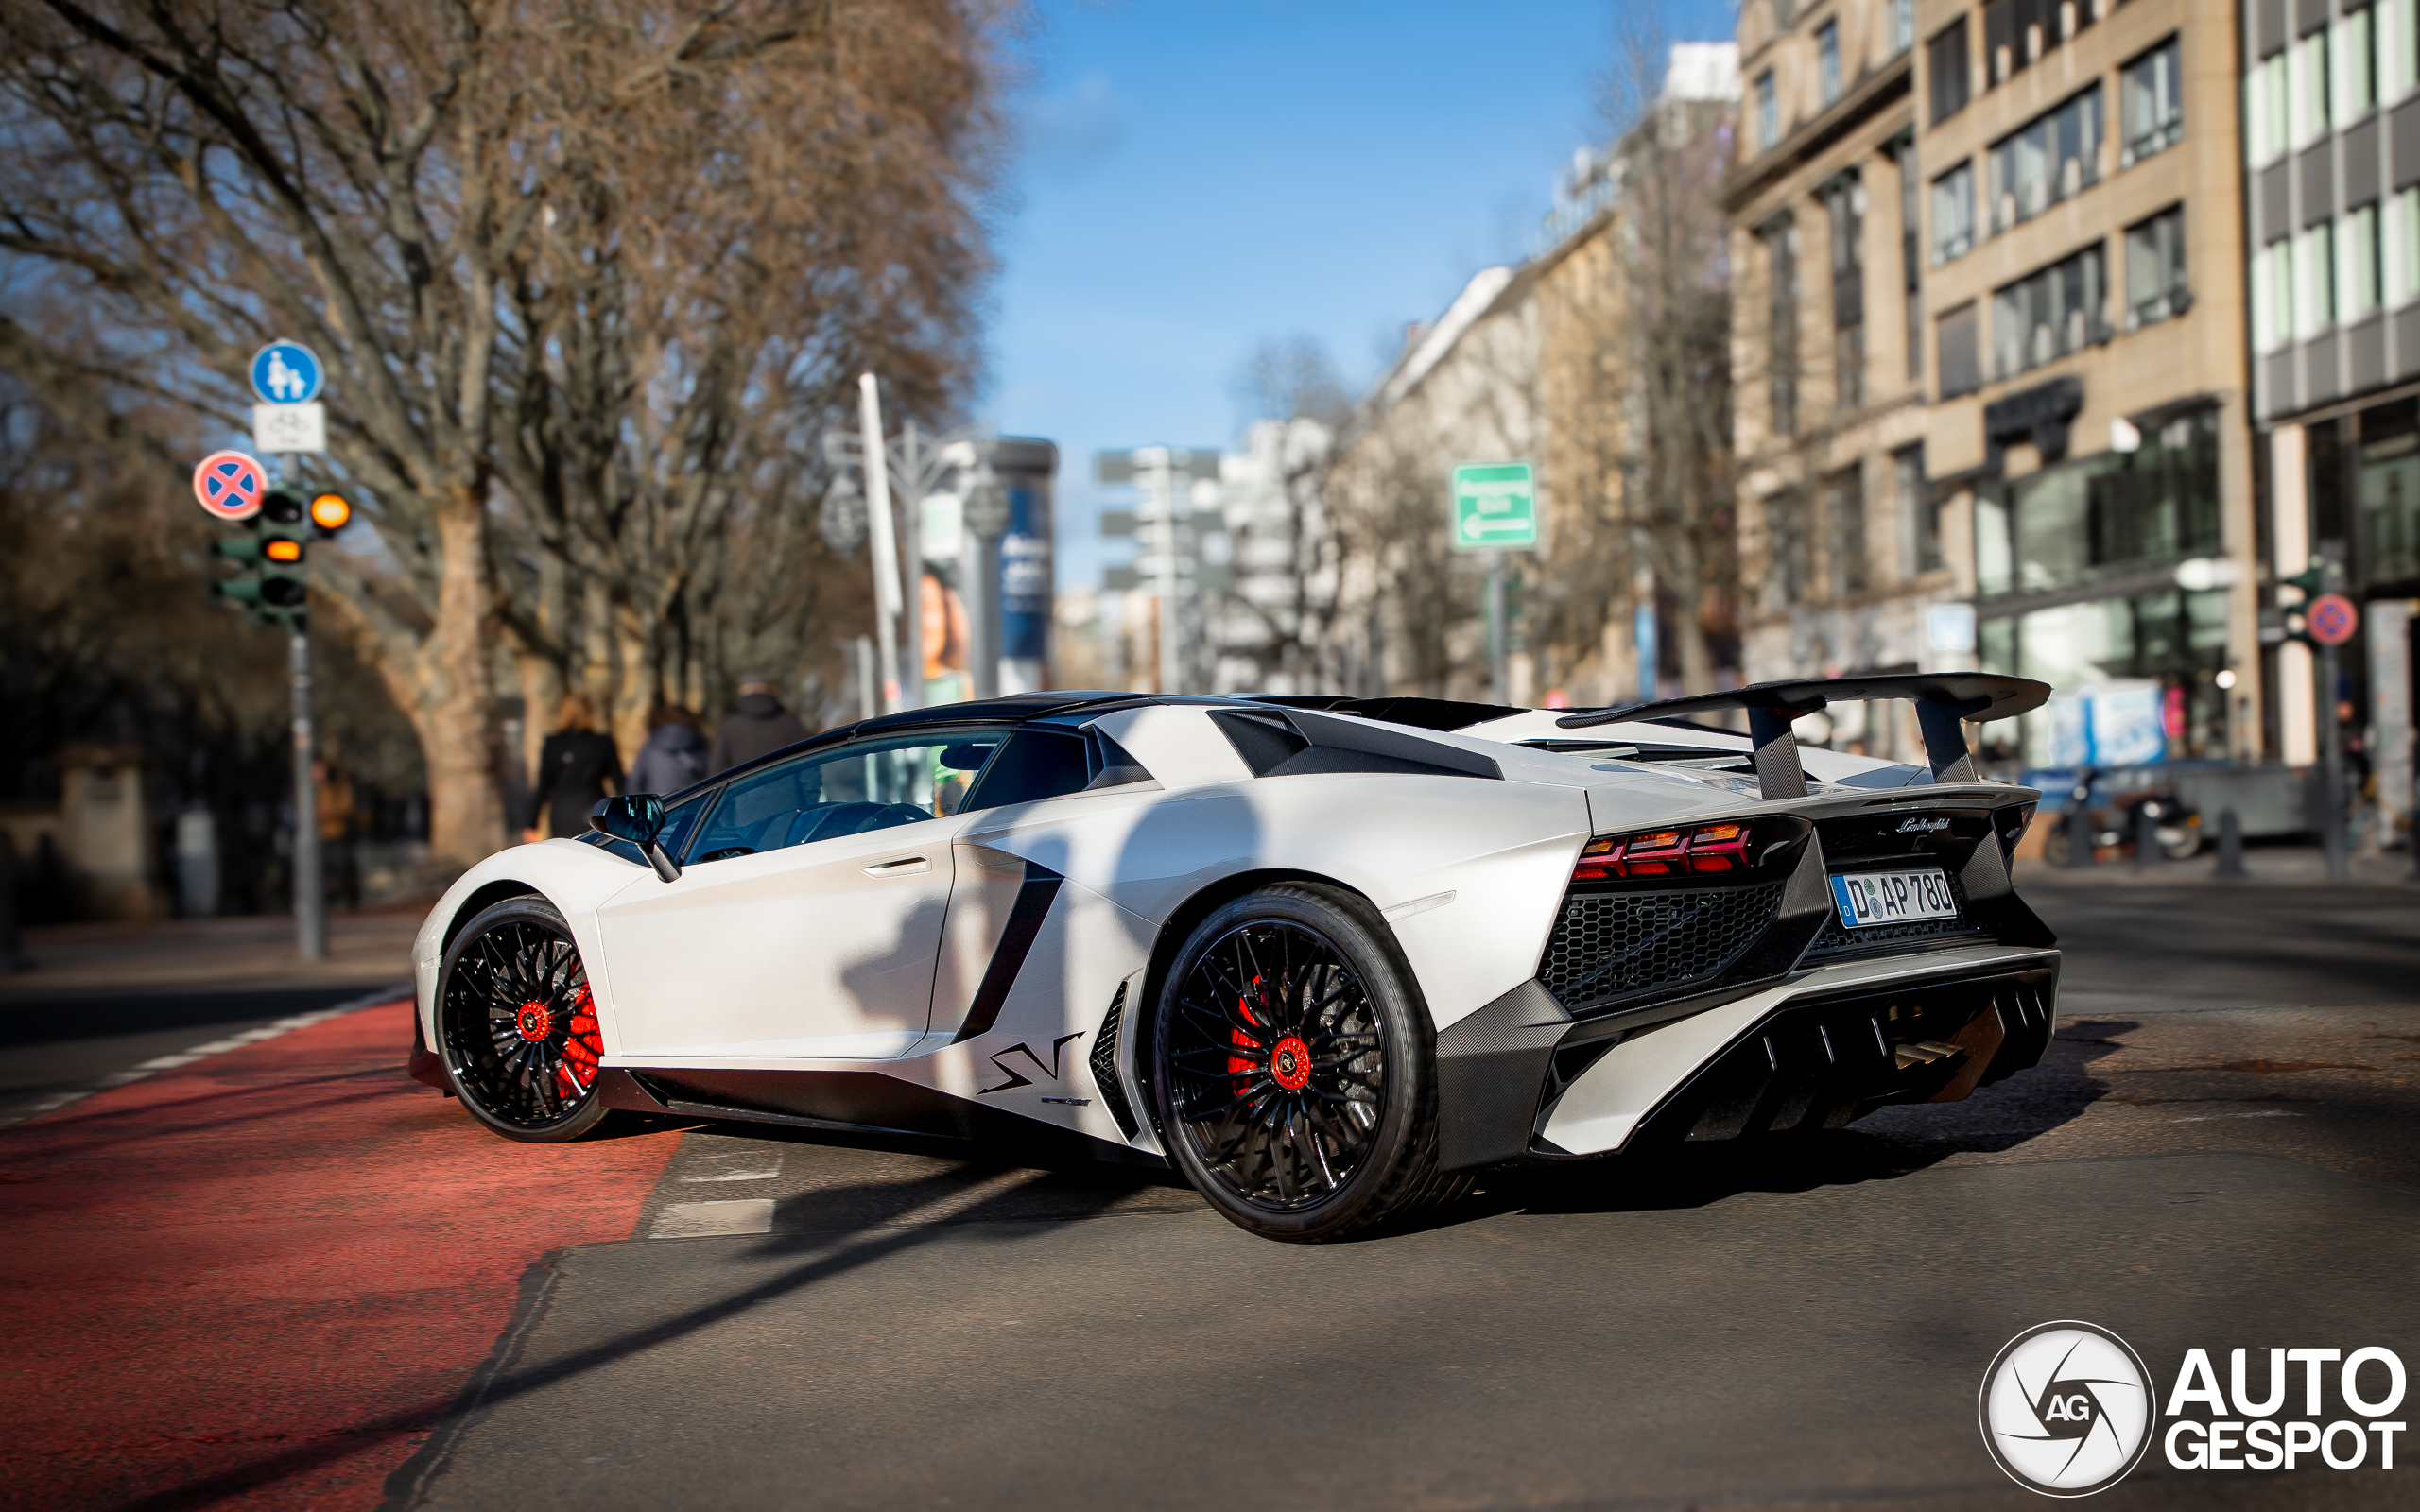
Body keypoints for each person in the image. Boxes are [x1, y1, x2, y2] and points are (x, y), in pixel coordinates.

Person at [523, 692, 622, 842]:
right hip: (594, 810)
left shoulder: (553, 744)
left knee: (566, 855)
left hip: (562, 812)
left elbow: (543, 787)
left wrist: (531, 824)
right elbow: (619, 782)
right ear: (590, 713)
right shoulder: (602, 742)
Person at [710, 675, 810, 774]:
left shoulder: (730, 724)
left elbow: (717, 769)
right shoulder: (790, 721)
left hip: (746, 789)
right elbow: (808, 762)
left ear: (743, 691)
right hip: (790, 787)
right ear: (771, 690)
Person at [629, 703, 710, 795]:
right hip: (690, 803)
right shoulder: (697, 744)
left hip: (658, 804)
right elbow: (710, 774)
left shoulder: (650, 746)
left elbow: (634, 784)